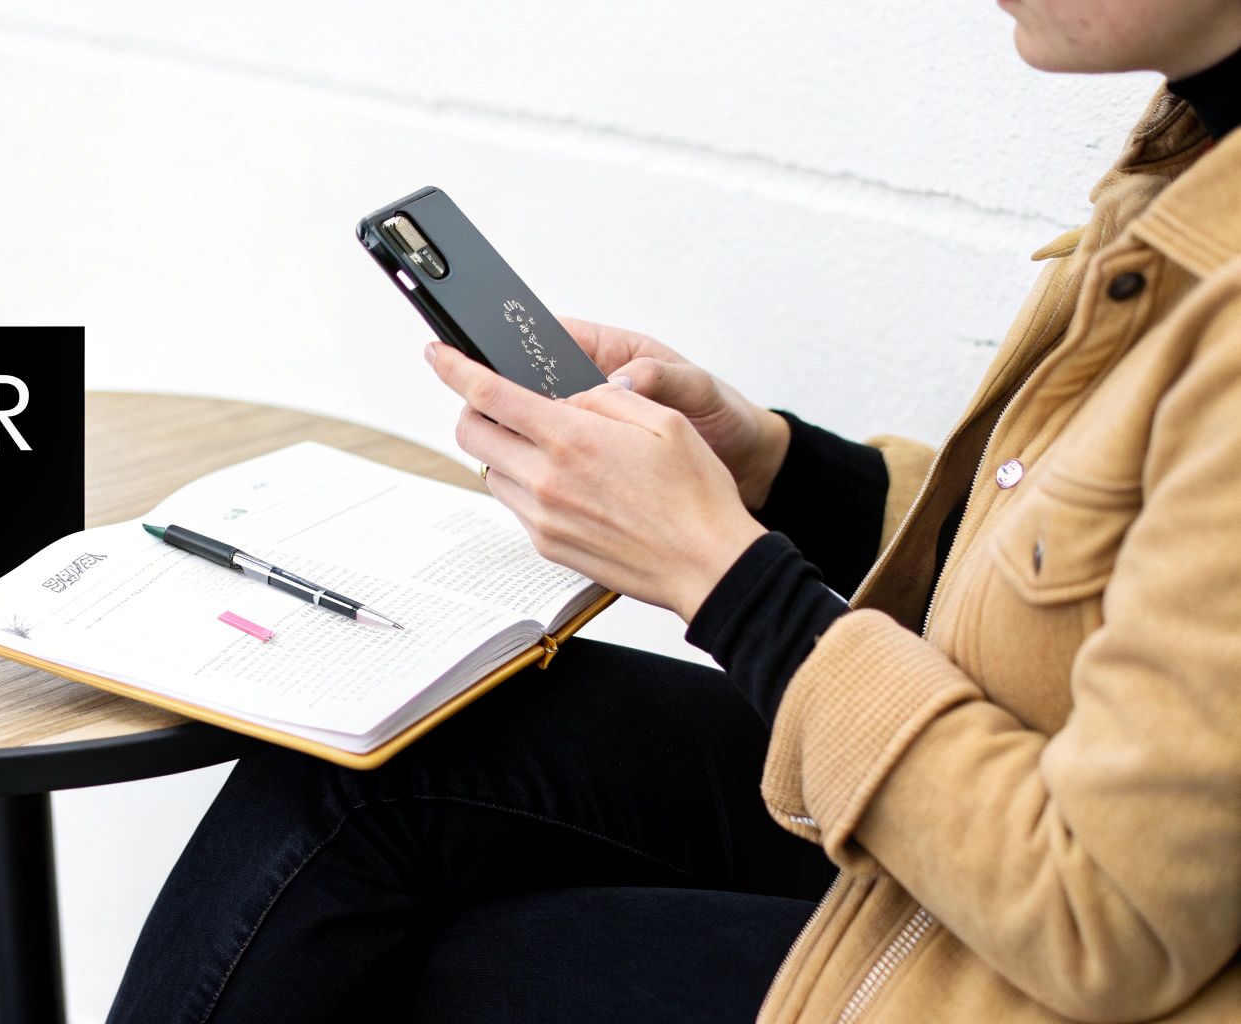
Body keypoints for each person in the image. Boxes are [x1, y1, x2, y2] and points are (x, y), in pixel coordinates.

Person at [108, 1, 1241, 1020]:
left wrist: (724, 577)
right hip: (999, 794)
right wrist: (774, 467)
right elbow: (1074, 560)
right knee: (375, 761)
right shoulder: (1187, 152)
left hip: (1062, 942)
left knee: (416, 968)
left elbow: (1109, 922)